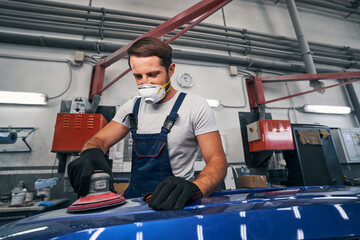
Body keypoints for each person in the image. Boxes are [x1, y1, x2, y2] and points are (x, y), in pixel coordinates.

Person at [68, 37, 227, 210]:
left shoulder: (195, 106)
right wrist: (91, 152)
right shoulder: (132, 107)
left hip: (174, 202)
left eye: (153, 74)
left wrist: (196, 189)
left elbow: (217, 161)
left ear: (170, 69)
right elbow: (99, 140)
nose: (145, 83)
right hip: (135, 203)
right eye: (138, 76)